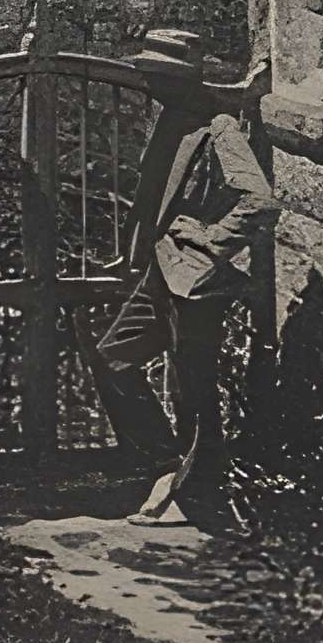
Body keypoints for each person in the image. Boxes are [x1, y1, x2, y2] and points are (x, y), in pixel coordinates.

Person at [89, 27, 274, 531]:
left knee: (195, 392)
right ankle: (167, 468)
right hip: (159, 271)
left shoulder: (218, 128)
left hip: (195, 279)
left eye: (161, 77)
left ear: (185, 80)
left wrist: (207, 244)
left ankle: (194, 498)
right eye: (148, 76)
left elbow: (257, 201)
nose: (151, 86)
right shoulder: (173, 122)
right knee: (113, 358)